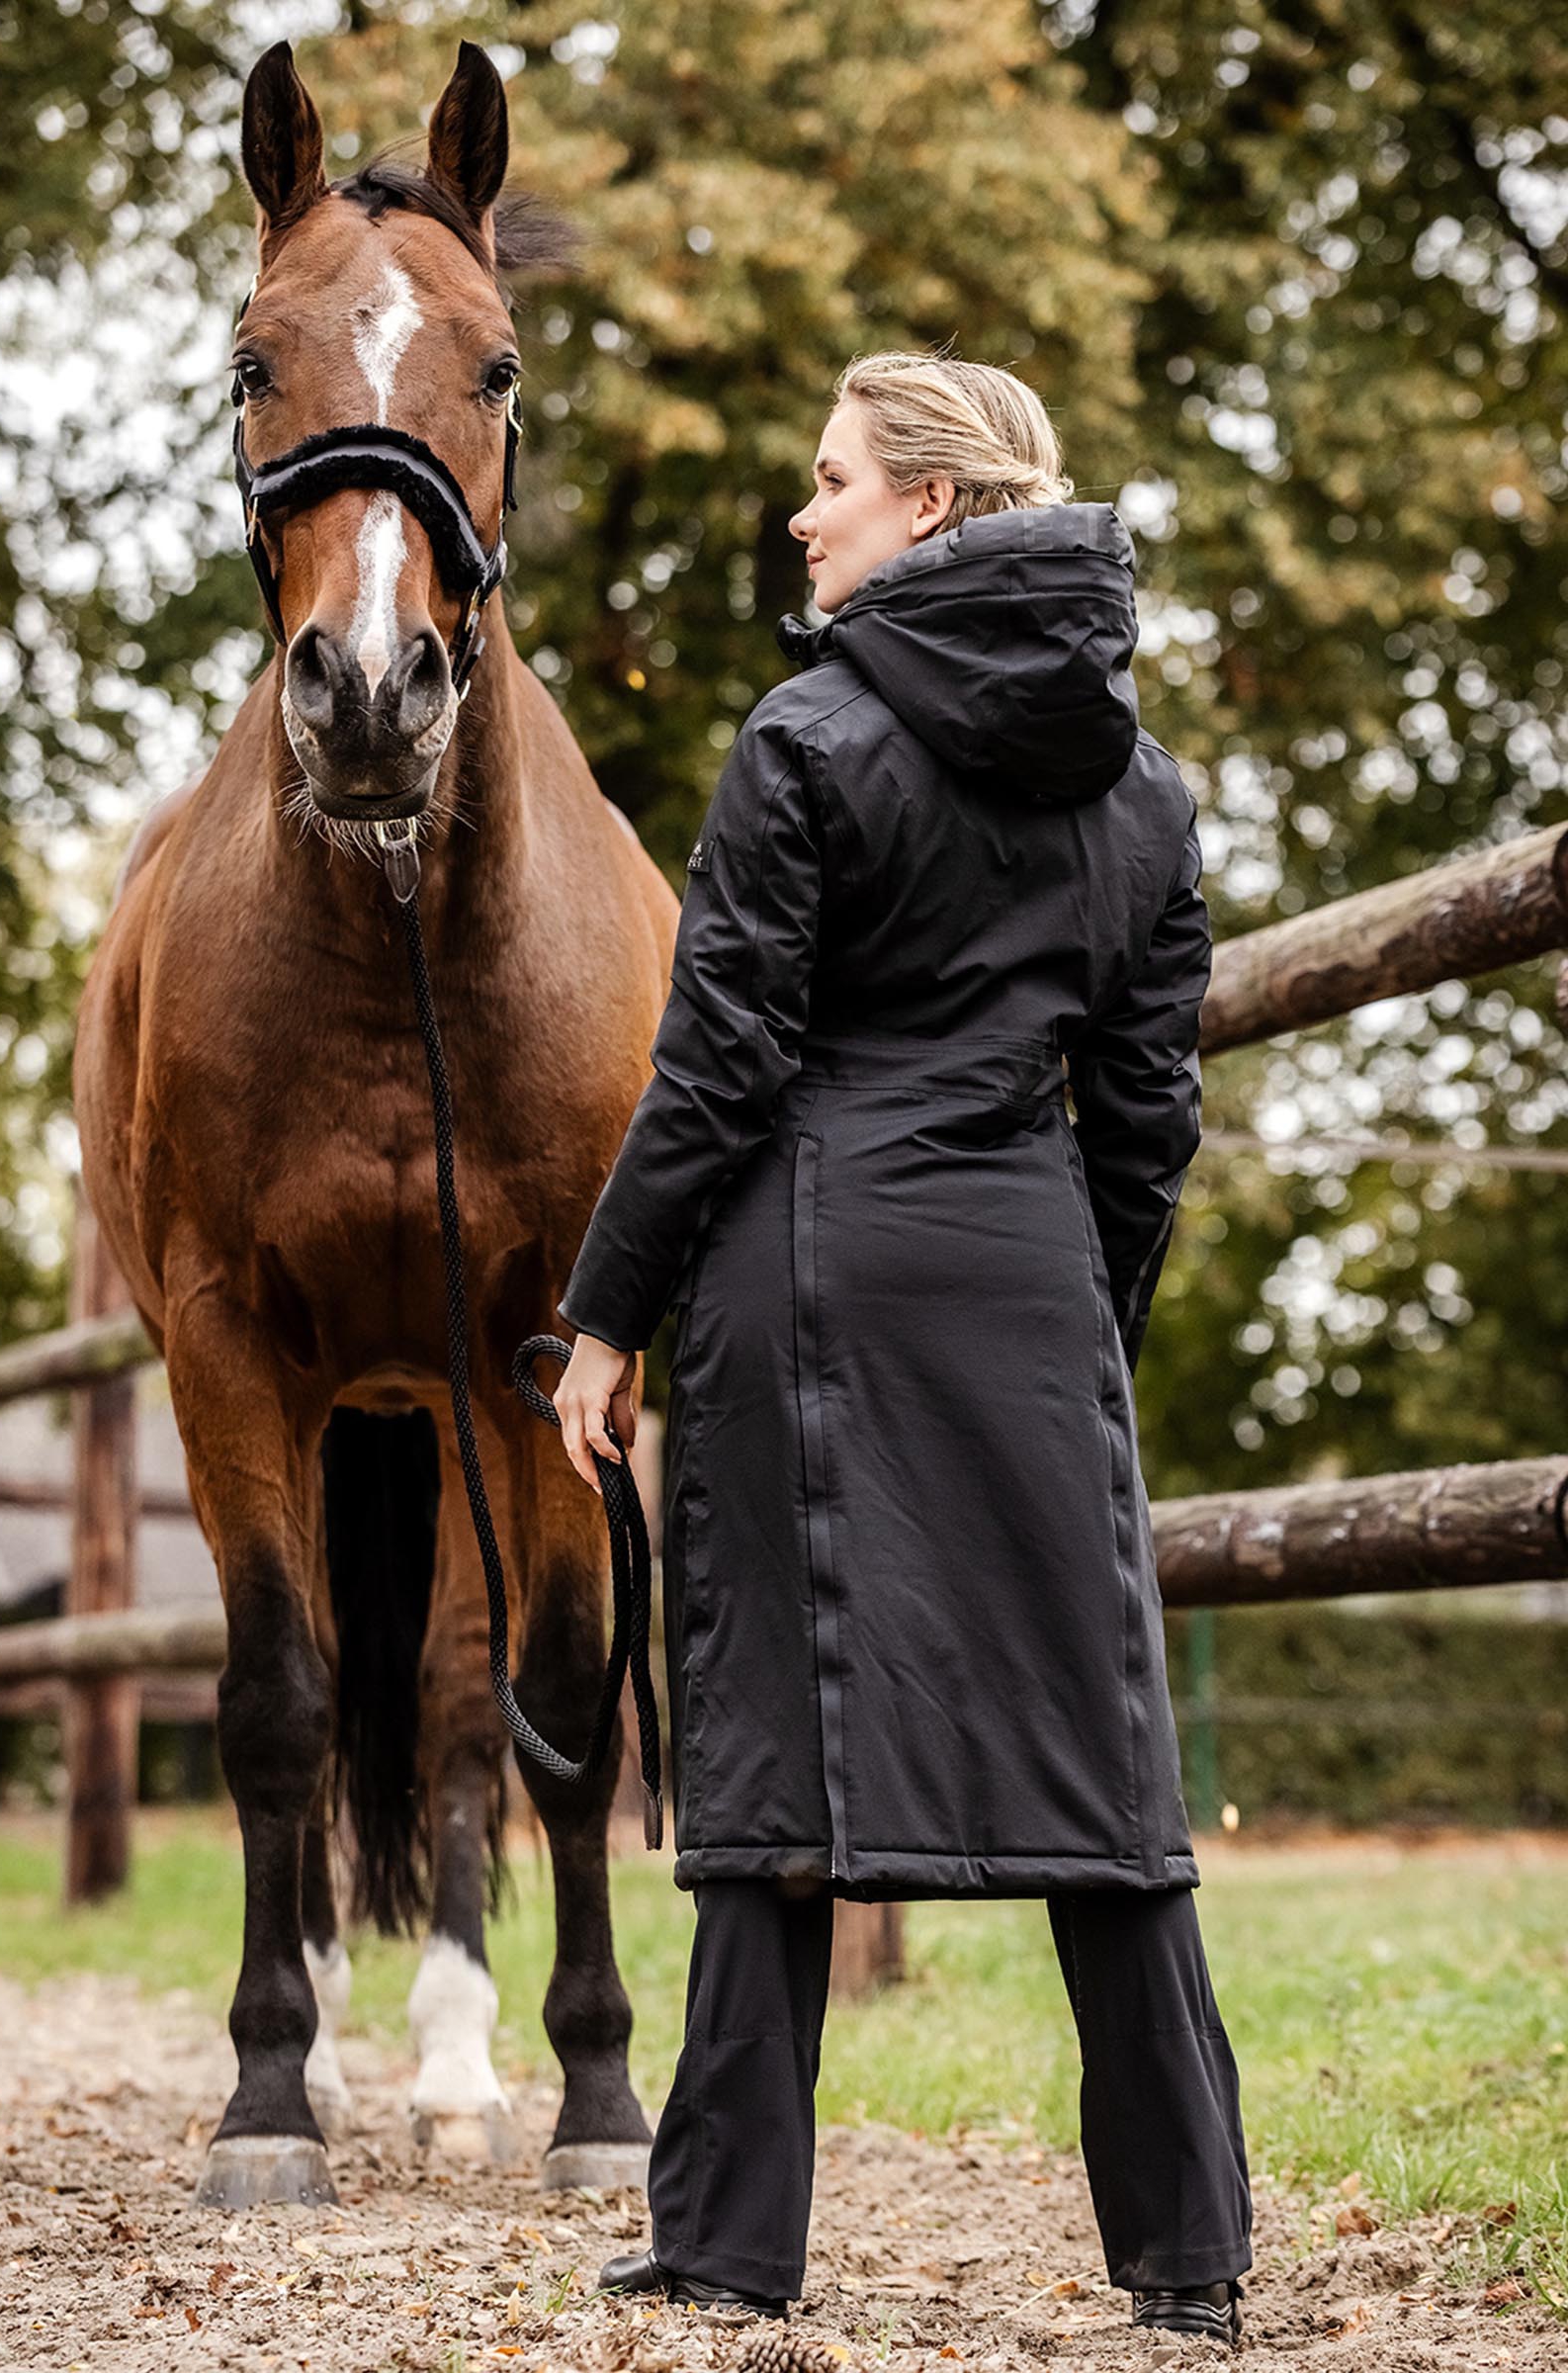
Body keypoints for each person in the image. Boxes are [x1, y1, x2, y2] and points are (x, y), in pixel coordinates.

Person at [551, 352, 1252, 2347]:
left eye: (834, 480)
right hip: (1025, 1280)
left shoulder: (806, 732)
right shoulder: (1144, 786)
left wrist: (605, 1315)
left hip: (807, 1271)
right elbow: (1143, 1115)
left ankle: (725, 2245)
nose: (802, 512)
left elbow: (715, 1070)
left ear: (934, 509)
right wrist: (1073, 1332)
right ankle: (1187, 2253)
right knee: (1106, 1768)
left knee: (770, 1752)